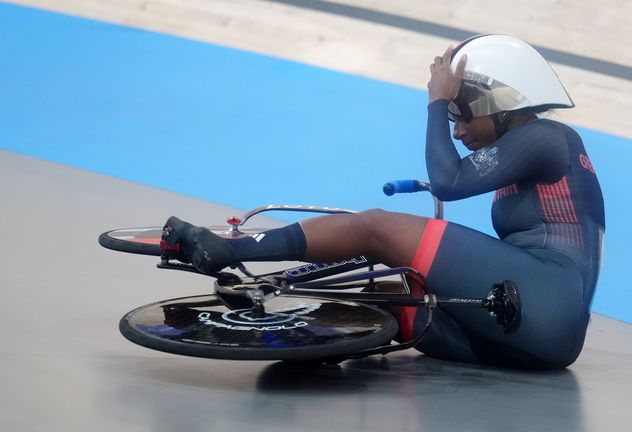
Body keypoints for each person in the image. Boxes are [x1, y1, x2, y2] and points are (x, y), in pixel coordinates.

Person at [162, 34, 605, 370]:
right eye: (450, 116)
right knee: (385, 297)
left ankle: (227, 249)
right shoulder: (529, 146)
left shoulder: (549, 137)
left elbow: (448, 181)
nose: (456, 129)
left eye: (462, 113)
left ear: (502, 103)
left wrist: (436, 101)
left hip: (547, 301)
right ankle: (284, 323)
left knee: (376, 228)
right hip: (538, 338)